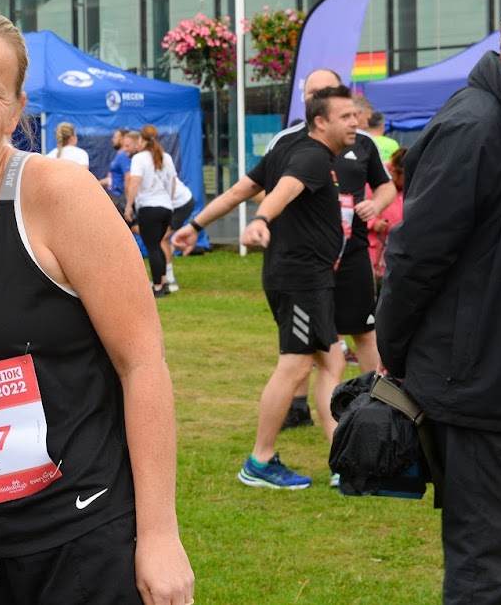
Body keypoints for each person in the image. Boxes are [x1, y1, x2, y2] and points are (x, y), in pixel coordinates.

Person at [0, 8, 193, 605]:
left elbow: (142, 362)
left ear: (15, 112)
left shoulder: (54, 194)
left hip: (88, 539)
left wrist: (160, 534)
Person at [375, 0, 501, 604]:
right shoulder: (476, 124)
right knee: (487, 570)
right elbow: (414, 261)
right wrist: (396, 356)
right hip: (484, 394)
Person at [173, 86, 359, 489]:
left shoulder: (293, 146)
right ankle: (260, 460)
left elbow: (240, 190)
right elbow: (281, 192)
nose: (355, 122)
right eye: (346, 116)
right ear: (321, 121)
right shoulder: (309, 156)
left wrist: (194, 226)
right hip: (300, 280)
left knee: (332, 361)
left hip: (308, 278)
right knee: (294, 366)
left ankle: (343, 459)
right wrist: (261, 219)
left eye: (356, 115)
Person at [266, 70, 395, 429]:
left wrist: (377, 205)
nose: (317, 97)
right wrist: (265, 222)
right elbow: (265, 189)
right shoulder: (287, 141)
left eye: (325, 91)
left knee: (363, 332)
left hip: (352, 253)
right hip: (307, 260)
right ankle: (297, 408)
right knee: (308, 347)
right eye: (312, 93)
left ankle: (375, 406)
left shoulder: (363, 143)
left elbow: (385, 188)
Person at [125, 125, 178, 299]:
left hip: (149, 207)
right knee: (159, 244)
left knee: (153, 247)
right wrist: (168, 200)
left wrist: (129, 205)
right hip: (166, 207)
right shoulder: (167, 157)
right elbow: (173, 182)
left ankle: (157, 286)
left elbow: (134, 183)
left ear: (141, 140)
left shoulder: (139, 158)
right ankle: (164, 281)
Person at [368, 146, 406, 283]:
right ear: (395, 172)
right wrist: (373, 223)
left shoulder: (411, 186)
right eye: (405, 177)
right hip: (374, 250)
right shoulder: (375, 178)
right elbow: (358, 205)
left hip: (397, 252)